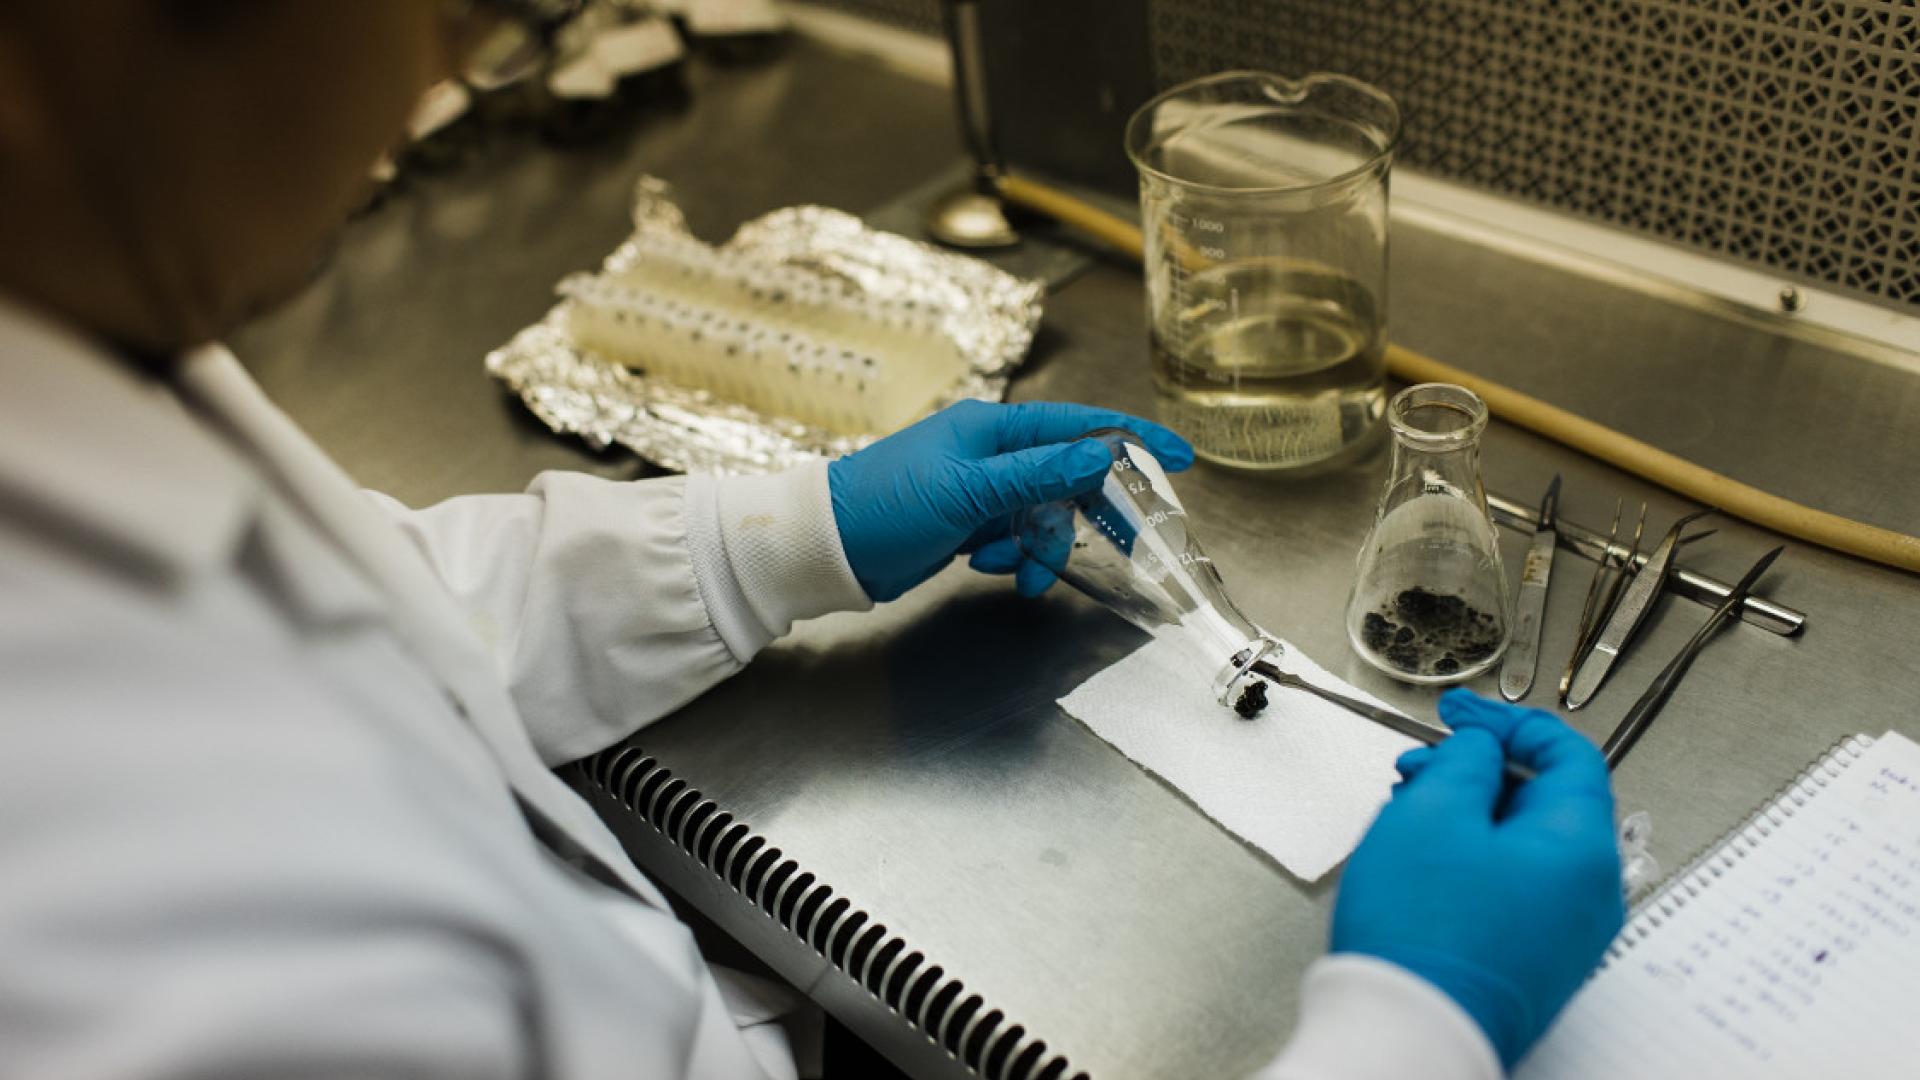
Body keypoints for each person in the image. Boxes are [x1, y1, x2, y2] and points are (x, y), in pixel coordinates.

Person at [0, 4, 1623, 1078]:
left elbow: (362, 604)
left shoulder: (77, 335)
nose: (438, 66)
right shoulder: (126, 927)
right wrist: (1414, 1020)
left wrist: (795, 532)